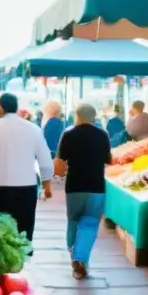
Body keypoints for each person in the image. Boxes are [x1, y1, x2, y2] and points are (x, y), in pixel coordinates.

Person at [0, 93, 53, 242]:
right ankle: (19, 264)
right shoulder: (33, 128)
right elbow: (45, 161)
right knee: (24, 231)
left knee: (2, 231)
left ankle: (7, 263)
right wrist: (46, 186)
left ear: (1, 107)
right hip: (27, 187)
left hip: (0, 188)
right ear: (16, 107)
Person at [55, 102, 111, 280]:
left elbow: (59, 165)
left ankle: (75, 258)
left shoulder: (68, 134)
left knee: (73, 221)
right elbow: (109, 160)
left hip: (74, 187)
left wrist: (58, 174)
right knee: (90, 222)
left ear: (78, 116)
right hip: (96, 186)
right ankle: (81, 258)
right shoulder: (103, 135)